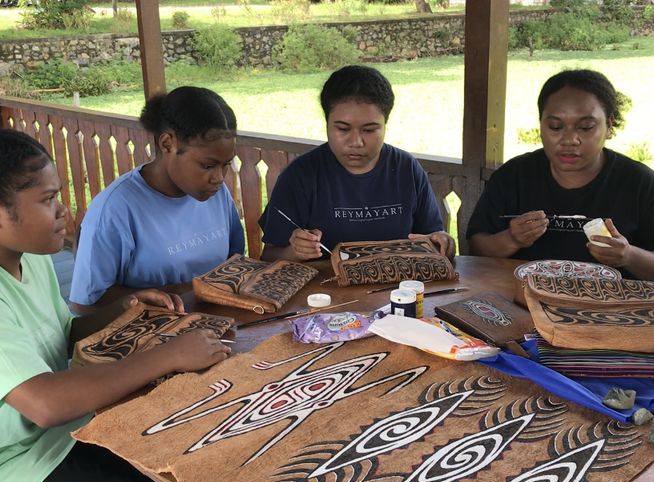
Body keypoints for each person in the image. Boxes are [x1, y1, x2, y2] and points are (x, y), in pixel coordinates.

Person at [0, 129, 230, 482]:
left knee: (185, 455)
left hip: (49, 439)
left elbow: (62, 334)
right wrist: (170, 355)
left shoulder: (21, 254)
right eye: (48, 200)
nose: (64, 211)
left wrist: (124, 309)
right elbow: (45, 404)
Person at [70, 86, 245, 313]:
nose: (219, 178)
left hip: (220, 324)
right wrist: (182, 291)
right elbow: (84, 303)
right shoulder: (115, 209)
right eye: (208, 165)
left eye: (226, 165)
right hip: (150, 339)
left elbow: (235, 259)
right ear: (167, 144)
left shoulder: (216, 193)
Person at [467, 69, 654, 280]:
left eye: (585, 127)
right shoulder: (514, 176)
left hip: (613, 309)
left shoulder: (640, 183)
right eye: (555, 126)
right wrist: (512, 239)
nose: (569, 139)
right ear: (541, 125)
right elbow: (476, 248)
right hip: (523, 303)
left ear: (609, 125)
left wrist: (628, 256)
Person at [258, 65, 455, 262]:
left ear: (385, 125)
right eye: (343, 129)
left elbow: (435, 239)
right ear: (326, 123)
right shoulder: (300, 176)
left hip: (397, 291)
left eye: (369, 130)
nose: (356, 142)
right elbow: (268, 257)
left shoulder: (406, 169)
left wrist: (444, 243)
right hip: (324, 292)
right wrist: (295, 252)